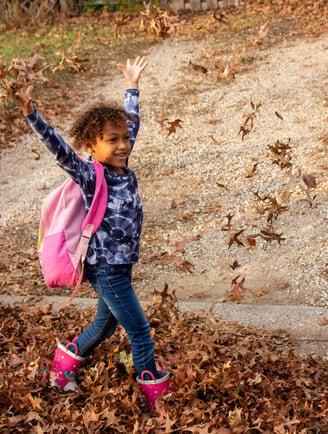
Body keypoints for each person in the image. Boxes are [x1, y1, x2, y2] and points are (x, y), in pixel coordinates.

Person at [16, 56, 170, 410]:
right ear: (91, 144)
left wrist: (132, 87)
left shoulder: (123, 168)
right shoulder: (90, 174)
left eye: (123, 139)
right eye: (111, 140)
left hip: (121, 266)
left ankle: (63, 369)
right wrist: (32, 115)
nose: (121, 145)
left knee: (105, 326)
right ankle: (157, 401)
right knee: (140, 333)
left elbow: (134, 124)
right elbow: (59, 149)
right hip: (106, 269)